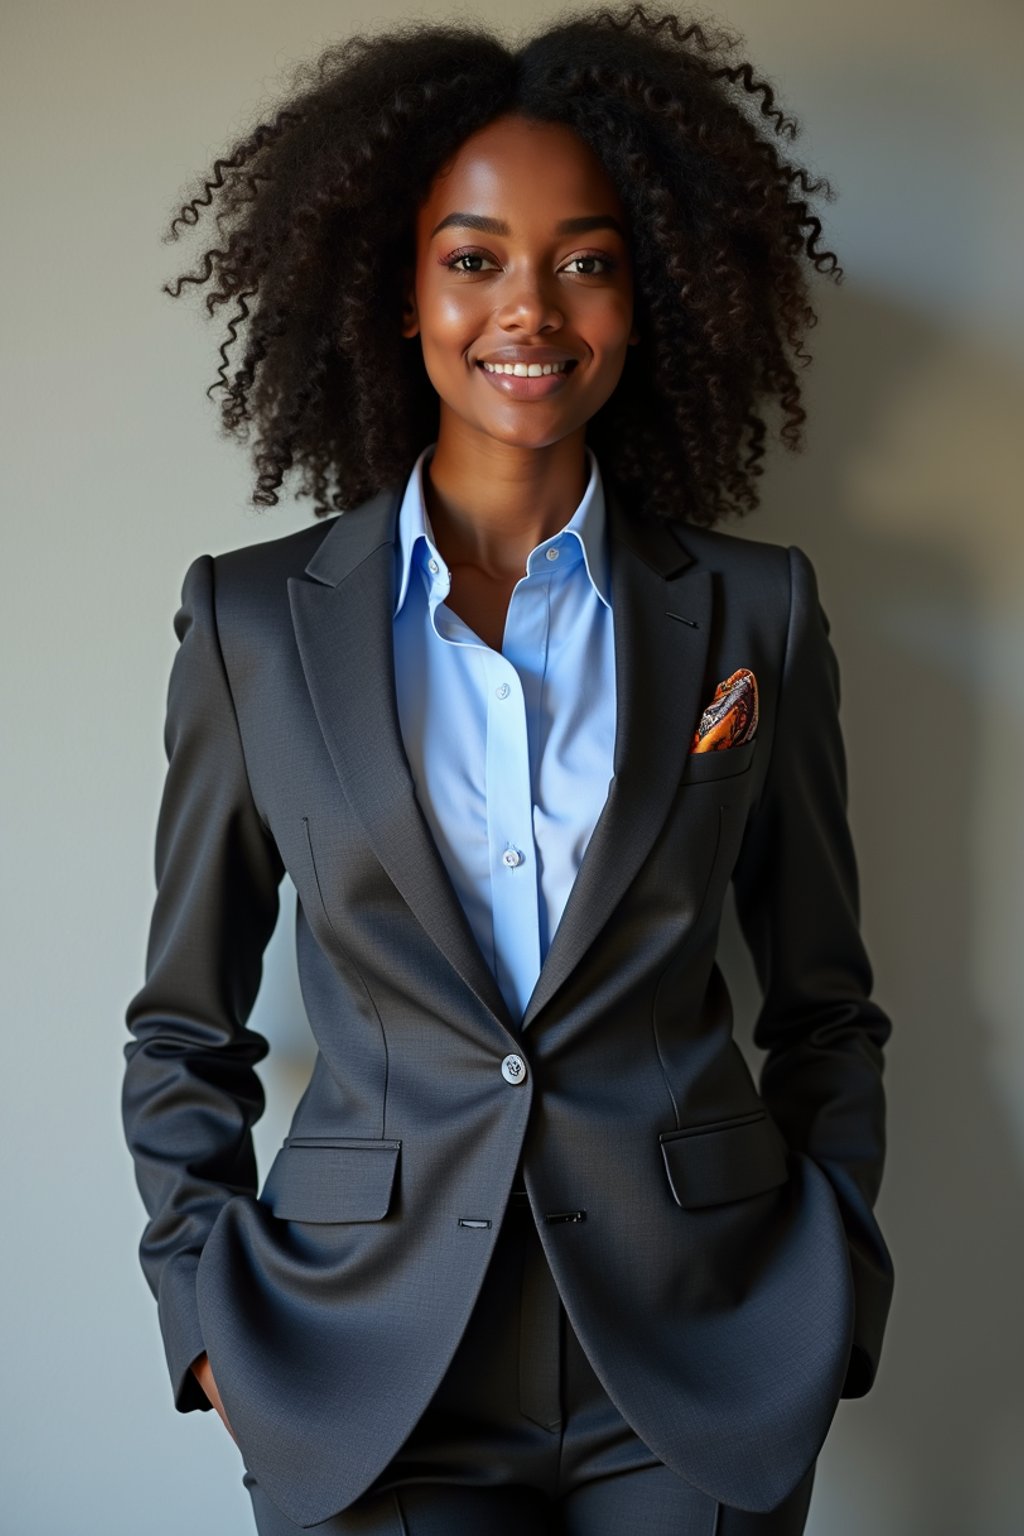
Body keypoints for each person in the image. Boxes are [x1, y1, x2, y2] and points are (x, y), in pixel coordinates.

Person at [122, 7, 895, 1534]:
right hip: (361, 1363)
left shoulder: (755, 611)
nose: (528, 307)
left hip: (699, 1353)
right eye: (474, 258)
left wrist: (835, 1288)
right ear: (397, 293)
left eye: (586, 260)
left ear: (648, 293)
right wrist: (201, 1321)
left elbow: (827, 1005)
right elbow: (182, 1024)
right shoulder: (258, 621)